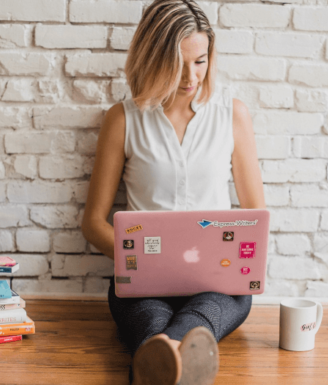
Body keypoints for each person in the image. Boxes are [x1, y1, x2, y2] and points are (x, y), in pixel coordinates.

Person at [81, 0, 265, 383]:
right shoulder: (123, 119)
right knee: (151, 321)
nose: (191, 76)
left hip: (219, 288)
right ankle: (181, 362)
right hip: (142, 286)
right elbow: (93, 222)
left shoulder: (232, 115)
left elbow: (254, 215)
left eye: (200, 61)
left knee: (195, 322)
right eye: (177, 64)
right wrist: (144, 261)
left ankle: (163, 359)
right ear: (152, 57)